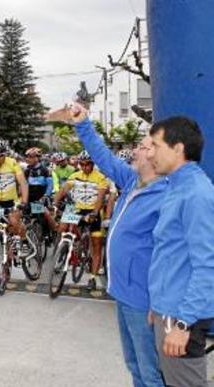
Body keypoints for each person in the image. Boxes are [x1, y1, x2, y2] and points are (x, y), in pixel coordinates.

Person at [69, 104, 166, 387]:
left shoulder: (166, 196)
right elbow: (103, 157)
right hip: (123, 293)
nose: (135, 150)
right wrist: (83, 125)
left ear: (155, 156)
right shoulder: (131, 181)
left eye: (143, 146)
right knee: (134, 364)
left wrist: (161, 302)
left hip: (143, 299)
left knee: (150, 371)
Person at [146, 116, 214, 387]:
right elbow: (170, 254)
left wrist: (183, 324)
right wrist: (158, 304)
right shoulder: (177, 187)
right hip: (168, 310)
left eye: (155, 145)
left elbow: (207, 265)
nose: (150, 153)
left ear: (178, 148)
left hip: (182, 317)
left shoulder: (196, 195)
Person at [54, 150, 107, 291]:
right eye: (81, 164)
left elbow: (100, 198)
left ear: (92, 164)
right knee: (63, 227)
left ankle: (92, 277)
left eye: (87, 164)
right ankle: (67, 250)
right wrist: (55, 203)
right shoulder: (75, 175)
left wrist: (95, 213)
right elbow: (63, 190)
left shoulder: (100, 177)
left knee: (96, 244)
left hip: (92, 212)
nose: (84, 167)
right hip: (77, 210)